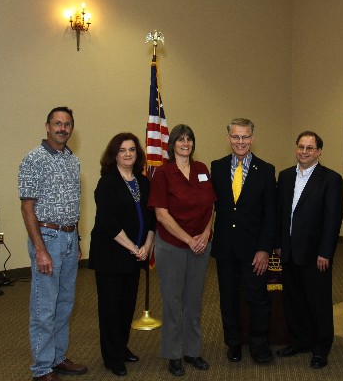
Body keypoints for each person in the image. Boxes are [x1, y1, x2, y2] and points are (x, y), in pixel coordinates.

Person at [18, 107, 87, 381]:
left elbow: (74, 205)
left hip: (69, 238)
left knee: (64, 303)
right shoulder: (33, 159)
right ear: (47, 126)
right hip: (47, 239)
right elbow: (27, 208)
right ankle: (42, 368)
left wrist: (77, 238)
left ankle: (58, 358)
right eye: (57, 123)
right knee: (44, 307)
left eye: (67, 124)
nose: (62, 128)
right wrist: (40, 249)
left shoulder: (73, 160)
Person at [148, 124, 216, 377]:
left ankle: (193, 351)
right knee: (173, 302)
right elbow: (162, 215)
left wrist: (207, 233)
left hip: (201, 245)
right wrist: (189, 239)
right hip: (173, 246)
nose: (185, 143)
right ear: (172, 144)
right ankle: (173, 354)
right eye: (180, 139)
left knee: (194, 301)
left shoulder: (202, 169)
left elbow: (211, 206)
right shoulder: (163, 173)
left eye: (189, 139)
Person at [275, 131, 343, 370]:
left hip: (316, 255)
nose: (304, 152)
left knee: (319, 303)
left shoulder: (331, 179)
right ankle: (299, 341)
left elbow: (333, 219)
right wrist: (278, 244)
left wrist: (326, 252)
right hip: (289, 252)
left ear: (319, 152)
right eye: (301, 147)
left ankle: (321, 348)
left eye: (310, 148)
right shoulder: (284, 177)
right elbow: (280, 214)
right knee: (293, 300)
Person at [88, 133, 155, 377]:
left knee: (127, 306)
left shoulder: (143, 182)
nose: (128, 154)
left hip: (136, 255)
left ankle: (121, 347)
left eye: (132, 150)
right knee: (110, 308)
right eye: (122, 150)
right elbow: (107, 222)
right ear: (114, 155)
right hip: (111, 255)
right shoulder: (107, 183)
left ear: (137, 154)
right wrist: (133, 247)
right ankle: (112, 357)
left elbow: (152, 219)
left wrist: (146, 246)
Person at [210, 118, 276, 364]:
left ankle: (259, 344)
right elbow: (211, 208)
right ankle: (234, 343)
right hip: (226, 247)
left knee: (258, 298)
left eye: (245, 137)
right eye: (236, 137)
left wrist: (264, 249)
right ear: (228, 139)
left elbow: (271, 215)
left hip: (254, 249)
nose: (240, 141)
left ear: (252, 138)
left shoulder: (266, 170)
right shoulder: (216, 167)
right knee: (228, 298)